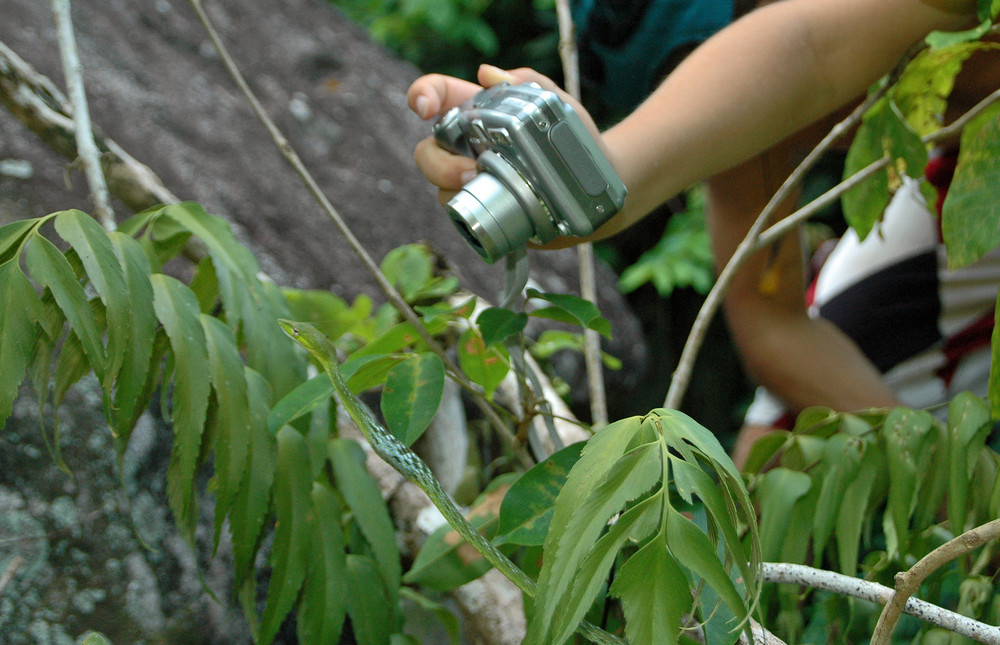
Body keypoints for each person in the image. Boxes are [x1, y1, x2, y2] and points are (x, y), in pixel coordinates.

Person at [406, 0, 997, 462]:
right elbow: (774, 328)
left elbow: (805, 50)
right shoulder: (753, 141)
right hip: (971, 179)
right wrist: (603, 180)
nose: (728, 112)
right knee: (780, 440)